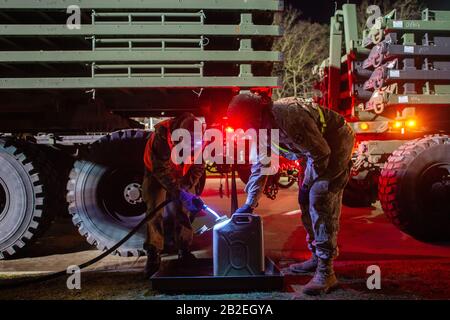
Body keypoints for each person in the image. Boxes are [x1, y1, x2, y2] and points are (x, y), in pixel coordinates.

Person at [227, 93, 355, 295]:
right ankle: (316, 257)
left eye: (247, 124)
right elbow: (262, 165)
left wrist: (307, 185)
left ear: (259, 114)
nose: (246, 130)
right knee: (305, 201)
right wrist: (250, 203)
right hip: (311, 150)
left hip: (334, 143)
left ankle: (326, 271)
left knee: (319, 196)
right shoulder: (259, 126)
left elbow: (321, 153)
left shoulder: (289, 117)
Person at [142, 113, 205, 277]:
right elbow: (161, 170)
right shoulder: (163, 135)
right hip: (156, 173)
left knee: (185, 209)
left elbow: (199, 166)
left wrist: (187, 188)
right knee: (155, 209)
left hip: (182, 173)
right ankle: (153, 254)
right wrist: (179, 192)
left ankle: (184, 250)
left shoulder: (201, 137)